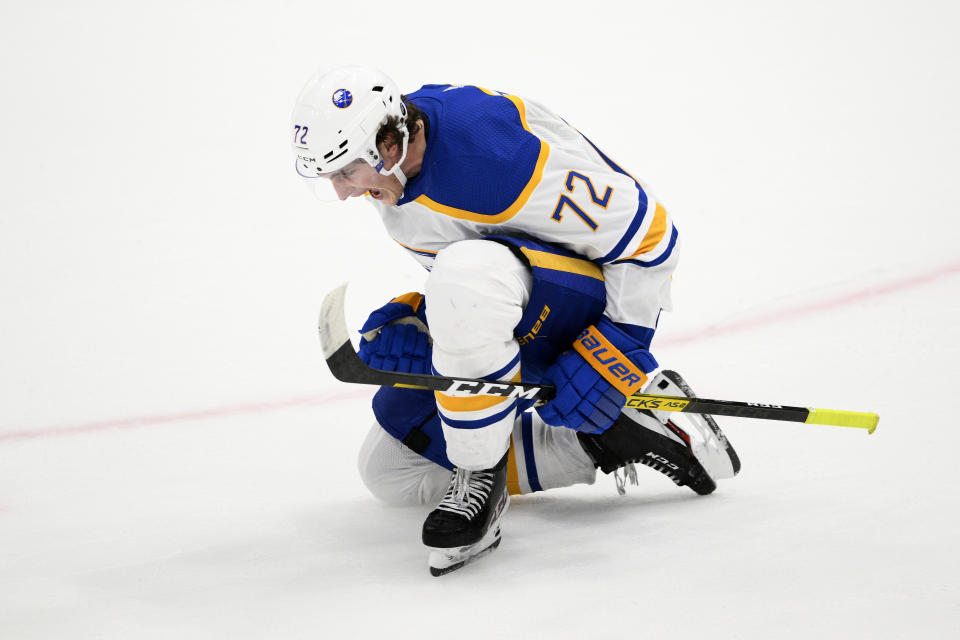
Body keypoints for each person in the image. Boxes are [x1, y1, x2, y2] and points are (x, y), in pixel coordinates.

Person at [291, 66, 740, 575]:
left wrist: (622, 343)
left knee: (464, 278)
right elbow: (480, 270)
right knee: (393, 469)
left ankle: (477, 479)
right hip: (522, 292)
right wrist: (430, 324)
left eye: (346, 171)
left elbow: (650, 236)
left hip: (594, 299)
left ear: (388, 144)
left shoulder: (497, 159)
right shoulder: (394, 176)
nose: (344, 190)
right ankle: (605, 439)